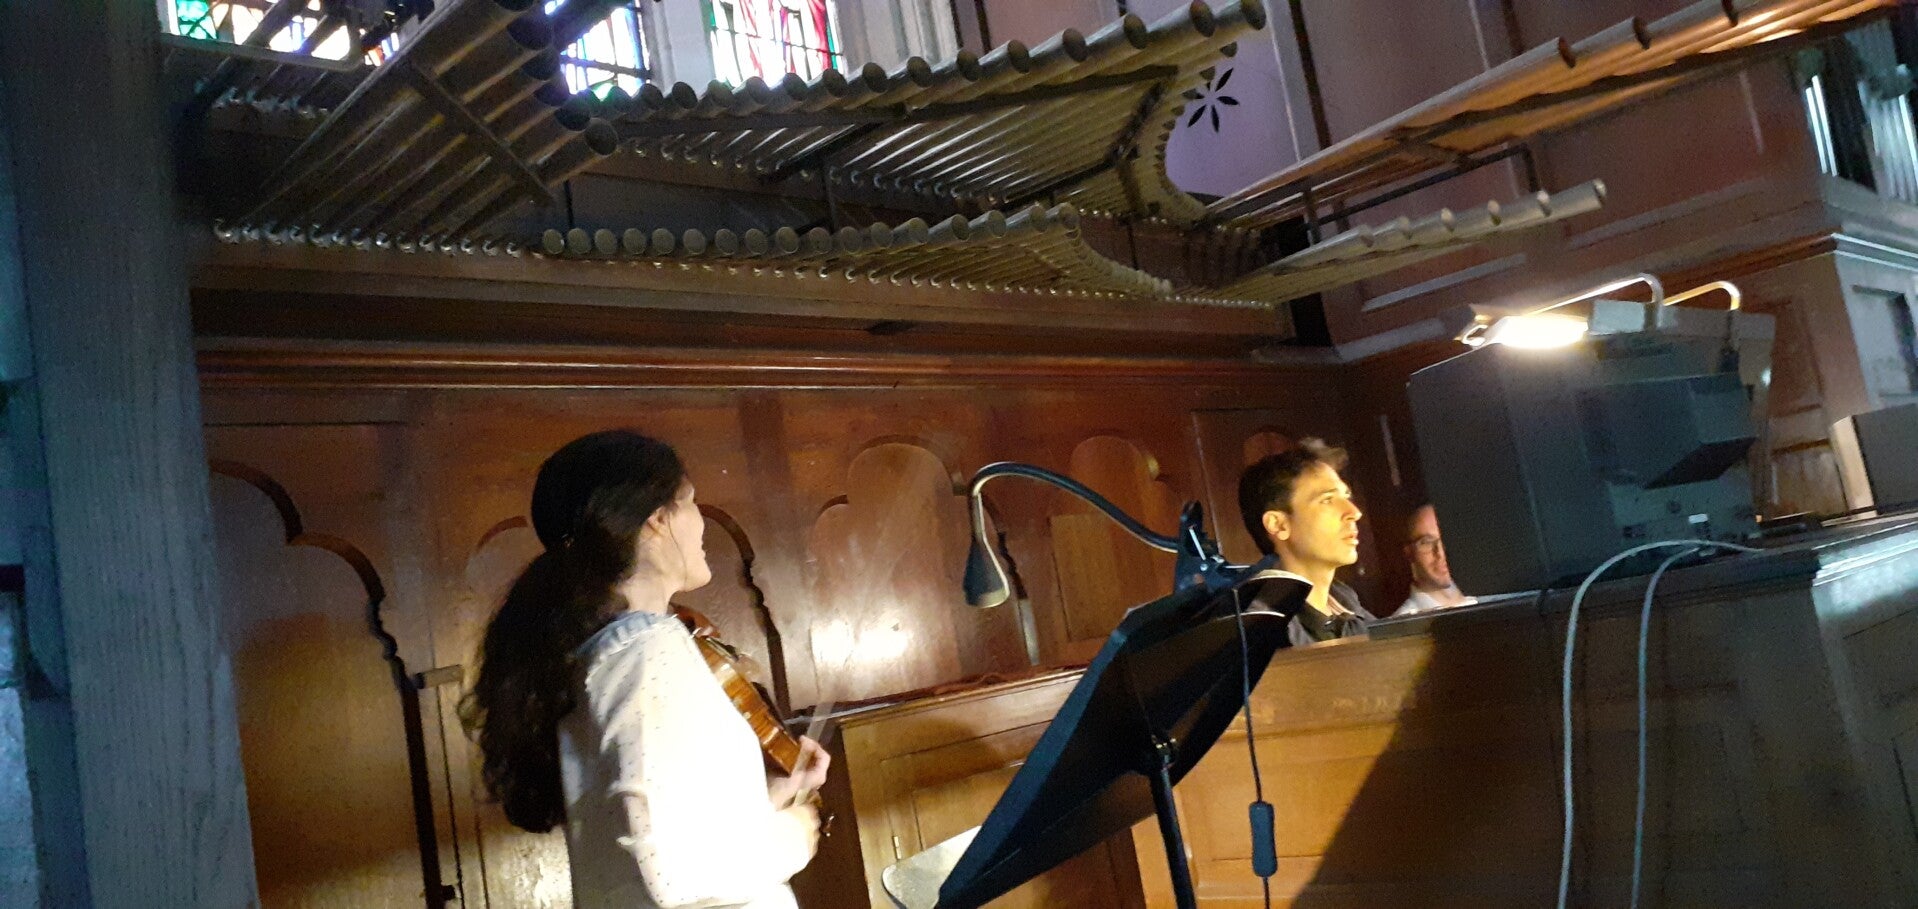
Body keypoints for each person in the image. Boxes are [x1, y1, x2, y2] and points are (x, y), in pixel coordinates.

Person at [462, 430, 828, 909]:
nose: (701, 523)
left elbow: (652, 834)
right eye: (691, 502)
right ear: (658, 519)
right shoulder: (647, 651)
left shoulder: (605, 654)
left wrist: (769, 796)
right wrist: (794, 834)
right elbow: (674, 874)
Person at [1237, 438, 1375, 646]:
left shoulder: (1349, 606)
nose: (1354, 512)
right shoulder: (1257, 629)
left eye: (1347, 497)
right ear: (1279, 525)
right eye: (1327, 500)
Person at [1396, 503, 1477, 617]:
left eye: (1445, 539)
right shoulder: (1404, 624)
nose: (1440, 553)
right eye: (1427, 542)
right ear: (1409, 553)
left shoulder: (1490, 601)